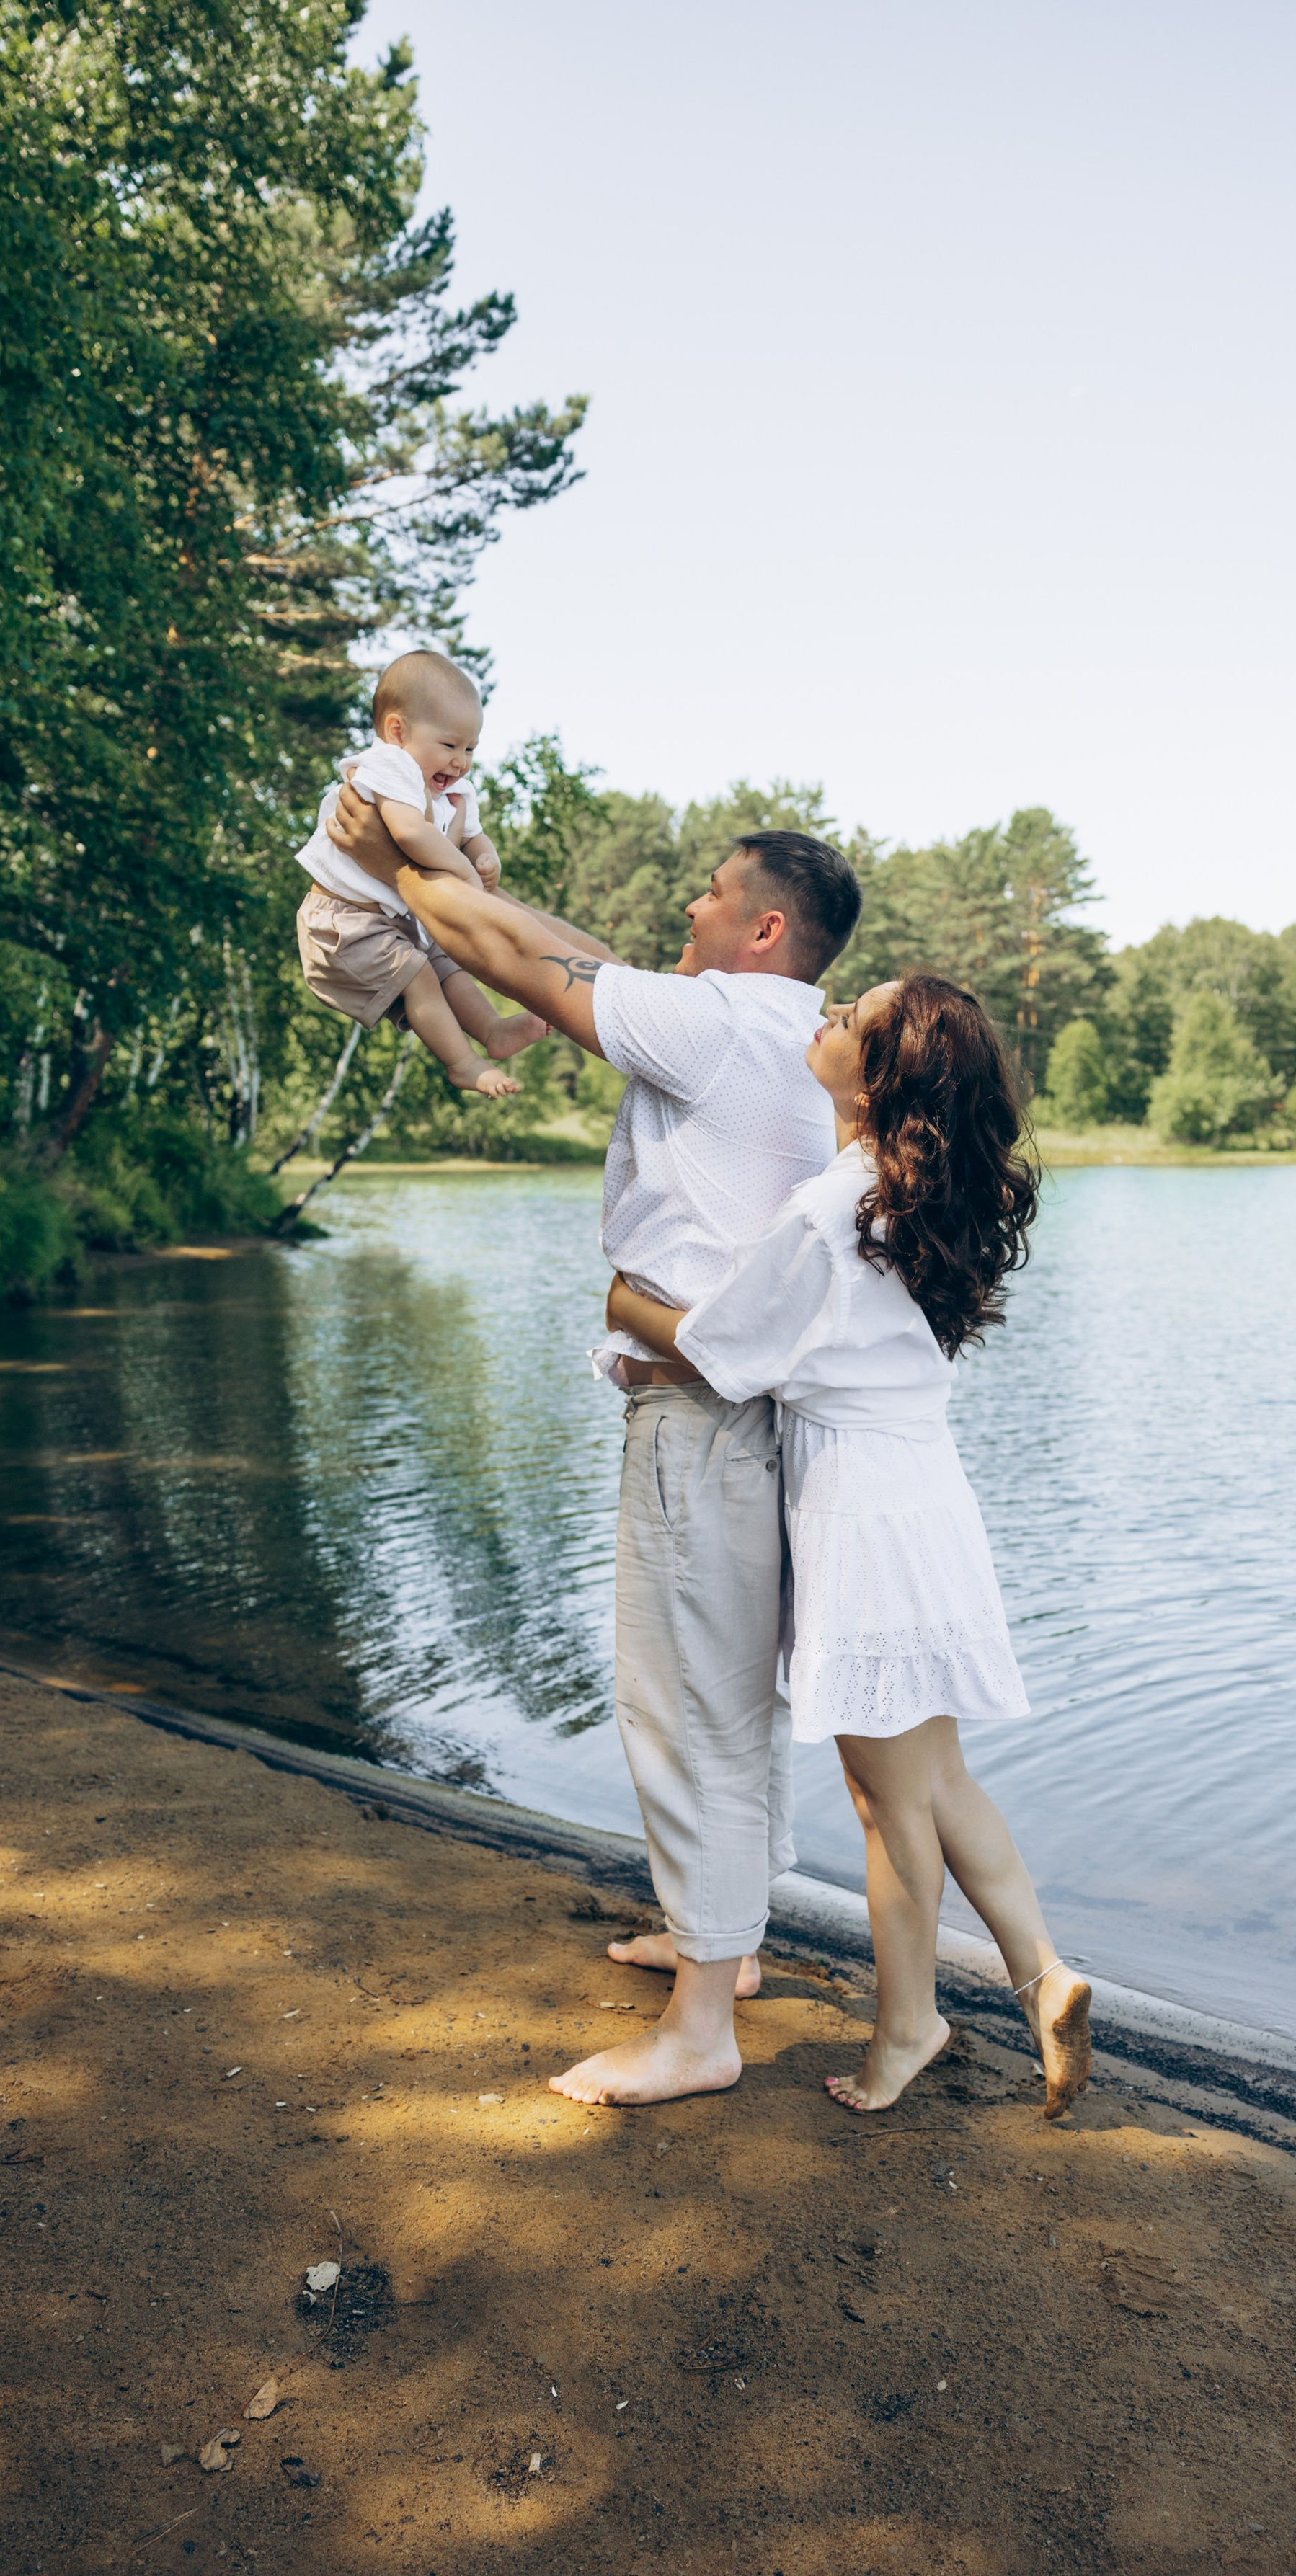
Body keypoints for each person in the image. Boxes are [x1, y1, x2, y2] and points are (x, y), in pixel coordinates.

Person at [321, 779, 864, 2105]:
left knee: (683, 1702)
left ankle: (700, 2032)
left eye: (713, 893)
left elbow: (516, 956)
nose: (688, 903)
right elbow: (577, 955)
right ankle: (722, 1949)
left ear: (763, 929)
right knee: (736, 1693)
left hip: (705, 1415)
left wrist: (388, 846)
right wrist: (455, 870)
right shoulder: (777, 1025)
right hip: (765, 1417)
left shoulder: (725, 1026)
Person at [605, 974, 1091, 2118]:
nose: (819, 1023)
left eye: (844, 1024)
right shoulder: (908, 1196)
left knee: (890, 1805)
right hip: (924, 1502)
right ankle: (1043, 1975)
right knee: (940, 1780)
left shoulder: (832, 1209)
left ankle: (907, 2029)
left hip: (862, 1520)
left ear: (876, 1080)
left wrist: (629, 1305)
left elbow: (723, 1348)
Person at [295, 649, 547, 1098]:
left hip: (396, 918)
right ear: (398, 732)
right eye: (450, 746)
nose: (461, 761)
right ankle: (463, 1063)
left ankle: (492, 1029)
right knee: (421, 976)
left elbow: (473, 835)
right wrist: (463, 870)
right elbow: (409, 833)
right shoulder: (390, 766)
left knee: (448, 964)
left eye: (470, 749)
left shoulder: (451, 785)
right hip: (342, 922)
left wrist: (485, 856)